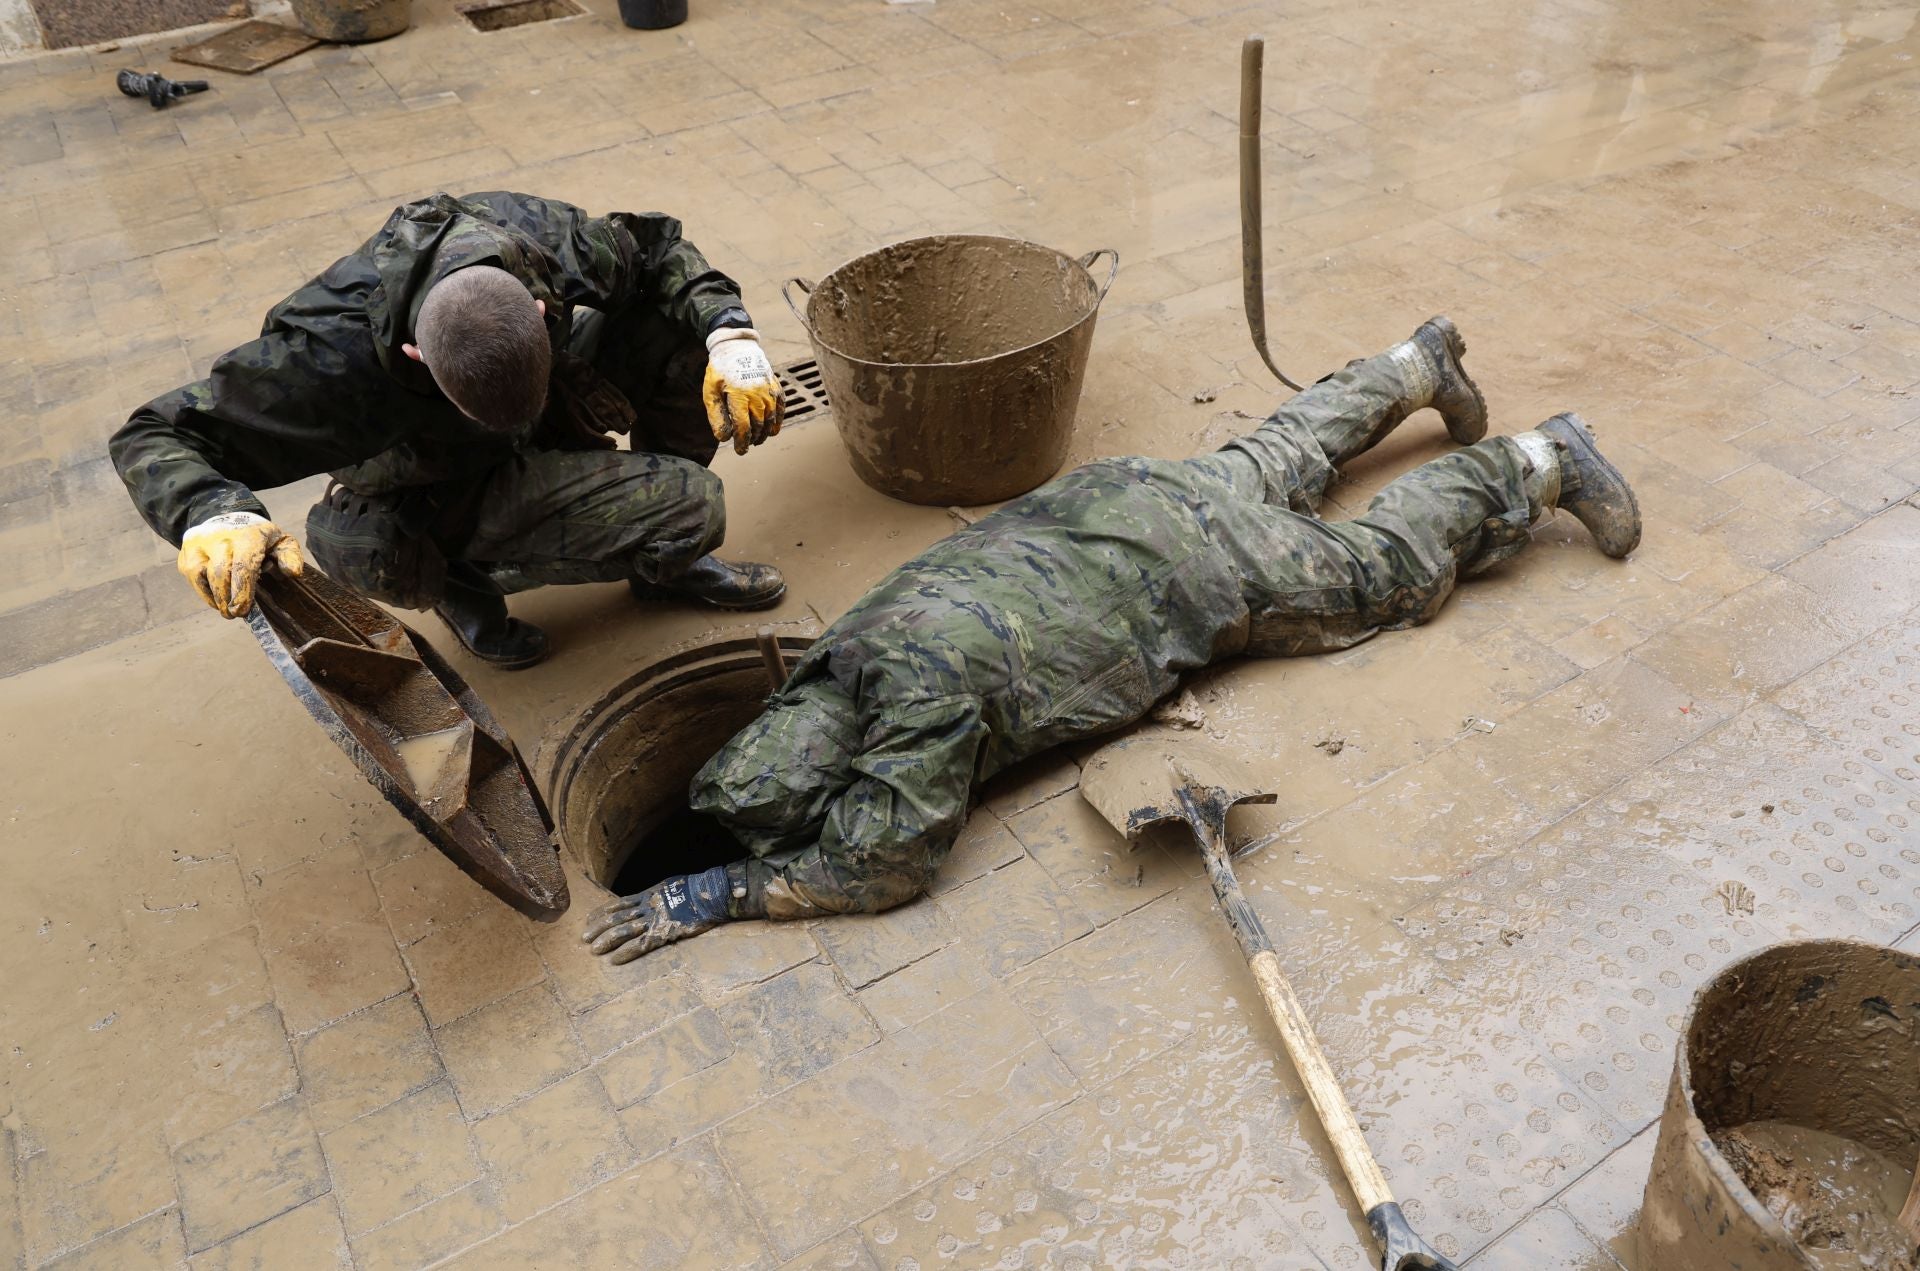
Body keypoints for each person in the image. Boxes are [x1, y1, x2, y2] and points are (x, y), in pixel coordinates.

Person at [583, 316, 1643, 963]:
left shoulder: (922, 707)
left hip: (1192, 572)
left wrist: (720, 893)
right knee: (1272, 454)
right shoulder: (845, 648)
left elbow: (887, 858)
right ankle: (1418, 363)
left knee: (1379, 579)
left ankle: (1540, 460)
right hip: (1117, 501)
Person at [110, 190, 789, 669]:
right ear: (416, 359)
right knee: (693, 504)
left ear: (538, 305)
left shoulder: (538, 242)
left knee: (677, 325)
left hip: (538, 389)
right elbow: (154, 431)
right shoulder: (324, 364)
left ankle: (662, 565)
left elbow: (657, 248)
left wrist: (732, 334)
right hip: (431, 476)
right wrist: (210, 511)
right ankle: (462, 581)